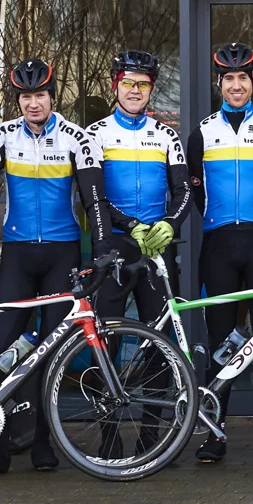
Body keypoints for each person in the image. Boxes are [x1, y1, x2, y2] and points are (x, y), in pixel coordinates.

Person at [0, 59, 108, 473]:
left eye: (40, 95)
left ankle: (42, 444)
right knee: (1, 348)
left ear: (53, 96)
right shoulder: (5, 136)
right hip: (16, 253)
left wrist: (101, 248)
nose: (34, 103)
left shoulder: (76, 138)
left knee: (51, 350)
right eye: (26, 97)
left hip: (61, 255)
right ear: (18, 100)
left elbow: (94, 201)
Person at [187, 42, 253, 464]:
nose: (236, 85)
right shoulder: (202, 132)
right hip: (217, 244)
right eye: (228, 79)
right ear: (219, 84)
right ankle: (216, 434)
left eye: (242, 79)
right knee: (218, 342)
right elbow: (196, 190)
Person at [85, 50, 190, 328]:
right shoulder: (95, 135)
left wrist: (170, 223)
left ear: (151, 89)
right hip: (114, 243)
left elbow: (184, 190)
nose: (135, 90)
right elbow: (93, 196)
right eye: (128, 83)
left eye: (142, 84)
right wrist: (130, 224)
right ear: (115, 86)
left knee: (162, 334)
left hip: (157, 244)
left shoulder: (167, 135)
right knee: (107, 334)